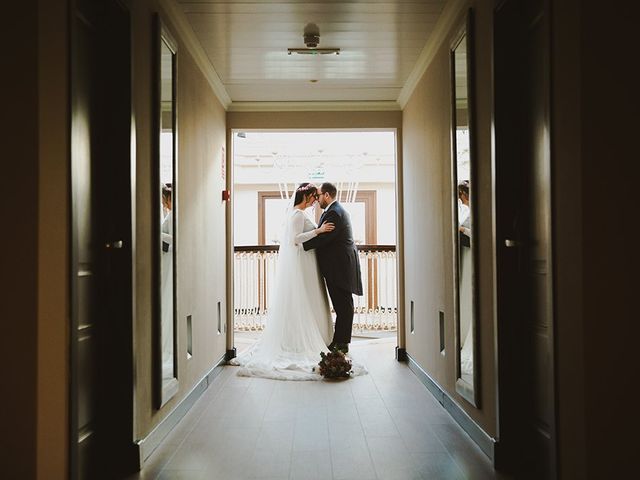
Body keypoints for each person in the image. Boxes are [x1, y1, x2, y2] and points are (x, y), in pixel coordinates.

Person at [230, 183, 341, 380]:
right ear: (306, 197)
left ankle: (316, 336)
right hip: (302, 262)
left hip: (308, 261)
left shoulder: (301, 214)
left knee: (310, 297)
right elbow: (295, 239)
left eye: (317, 197)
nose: (316, 200)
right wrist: (318, 231)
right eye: (314, 197)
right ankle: (298, 341)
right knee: (304, 297)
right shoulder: (297, 214)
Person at [303, 182, 363, 353]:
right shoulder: (334, 210)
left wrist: (300, 244)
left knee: (343, 306)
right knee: (342, 304)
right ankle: (340, 341)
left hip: (339, 267)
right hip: (338, 266)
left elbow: (324, 239)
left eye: (319, 195)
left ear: (327, 195)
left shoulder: (334, 213)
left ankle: (341, 344)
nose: (317, 199)